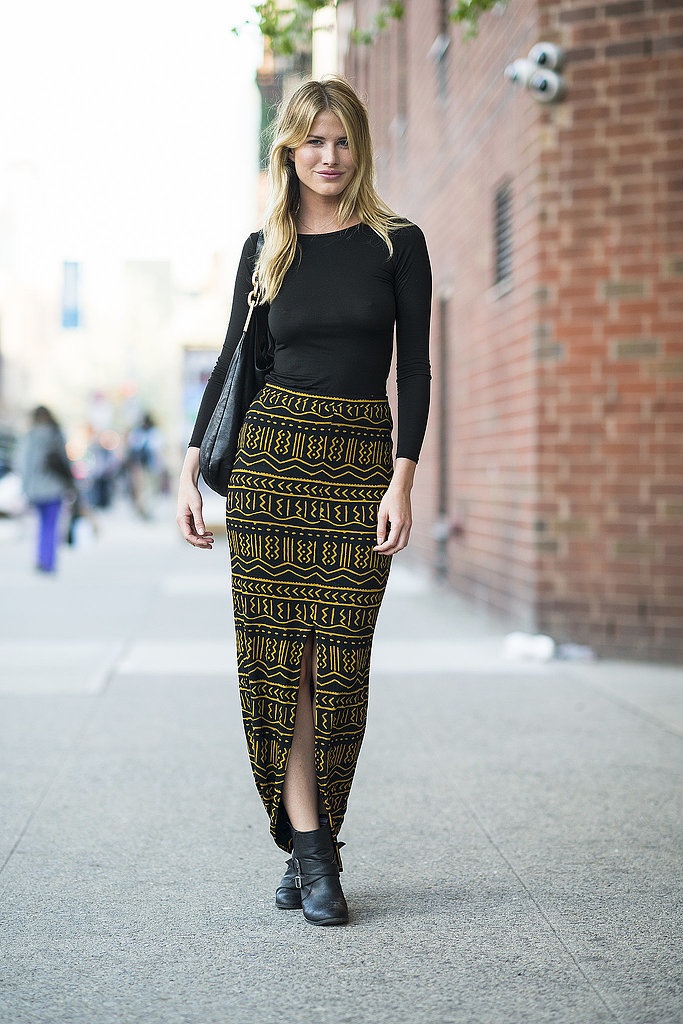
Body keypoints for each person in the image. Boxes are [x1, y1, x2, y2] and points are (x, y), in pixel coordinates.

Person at [177, 76, 431, 926]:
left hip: (358, 467)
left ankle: (306, 844)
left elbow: (414, 370)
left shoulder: (397, 244)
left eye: (343, 140)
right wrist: (189, 468)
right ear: (287, 150)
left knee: (340, 667)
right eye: (313, 141)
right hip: (271, 472)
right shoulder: (266, 249)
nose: (329, 156)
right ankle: (316, 855)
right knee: (284, 668)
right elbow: (230, 362)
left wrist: (402, 480)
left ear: (360, 148)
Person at [20, 405, 74, 573]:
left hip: (36, 489)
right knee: (51, 525)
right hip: (54, 488)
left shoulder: (30, 436)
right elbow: (65, 462)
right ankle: (48, 561)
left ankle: (41, 558)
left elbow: (24, 465)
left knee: (41, 525)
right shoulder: (55, 434)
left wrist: (25, 488)